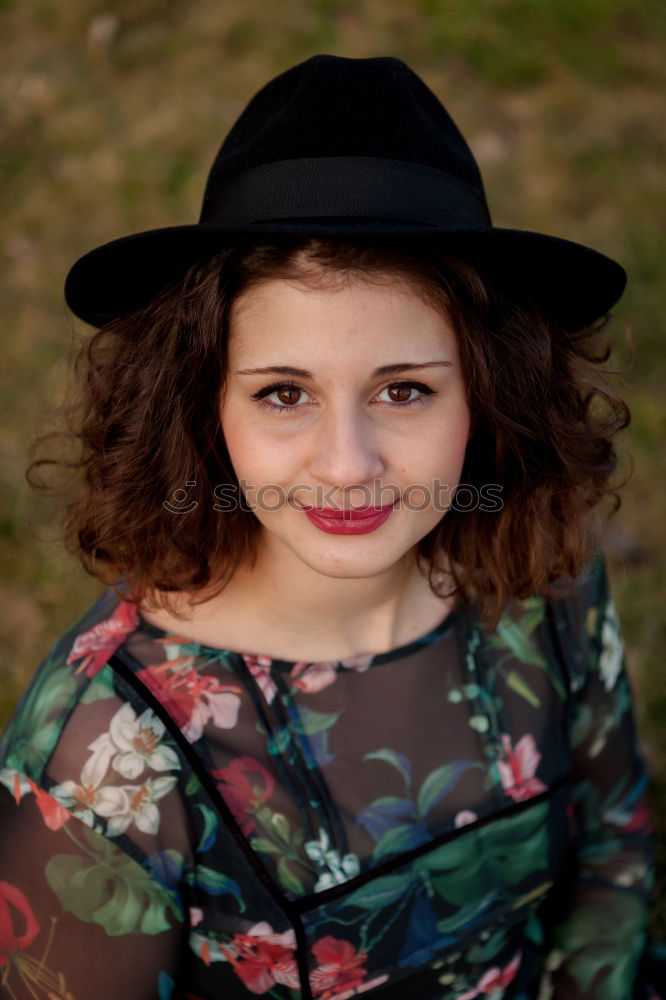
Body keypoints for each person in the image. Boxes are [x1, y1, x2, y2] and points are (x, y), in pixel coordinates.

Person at [0, 54, 662, 1000]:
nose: (347, 465)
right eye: (282, 393)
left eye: (404, 390)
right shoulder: (108, 760)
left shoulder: (541, 565)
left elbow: (614, 850)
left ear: (488, 395)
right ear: (202, 409)